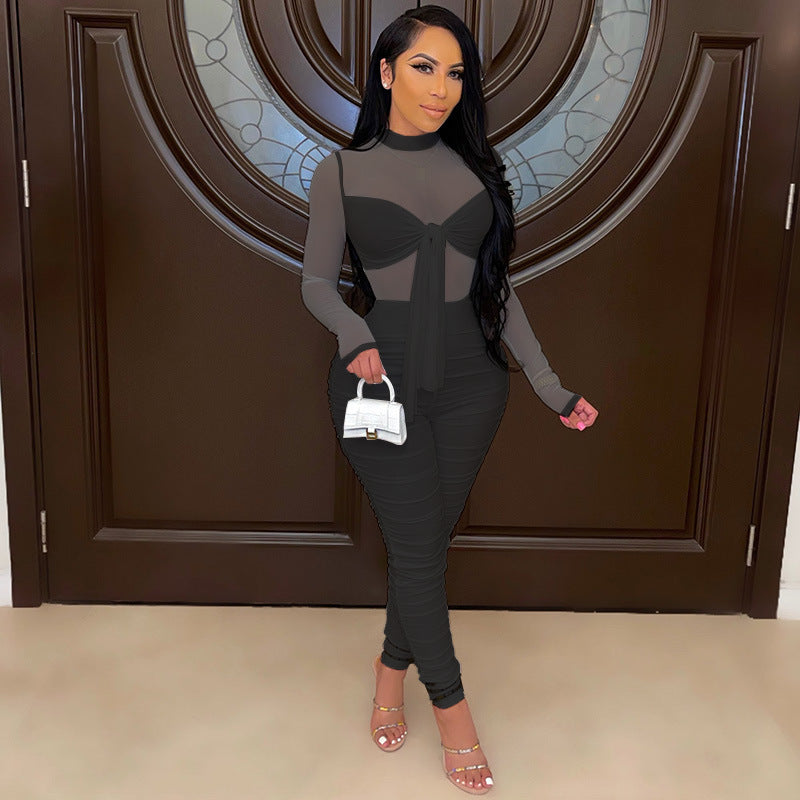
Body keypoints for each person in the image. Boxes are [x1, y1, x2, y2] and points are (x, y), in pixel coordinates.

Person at [301, 5, 598, 794]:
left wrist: (547, 384)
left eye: (456, 72)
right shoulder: (340, 172)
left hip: (474, 386)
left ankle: (388, 672)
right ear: (386, 72)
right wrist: (352, 334)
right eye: (424, 67)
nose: (442, 88)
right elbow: (315, 283)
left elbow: (499, 292)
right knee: (418, 548)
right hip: (377, 381)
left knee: (422, 549)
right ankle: (455, 716)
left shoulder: (477, 171)